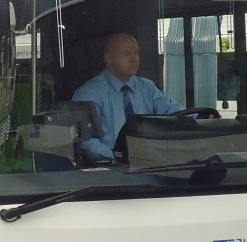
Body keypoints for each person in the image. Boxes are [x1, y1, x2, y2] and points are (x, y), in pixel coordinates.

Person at [71, 32, 181, 162]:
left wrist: (200, 120)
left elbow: (174, 111)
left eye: (136, 53)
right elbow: (84, 142)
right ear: (109, 58)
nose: (134, 59)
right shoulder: (88, 94)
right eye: (127, 54)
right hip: (108, 171)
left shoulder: (147, 88)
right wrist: (119, 159)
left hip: (151, 164)